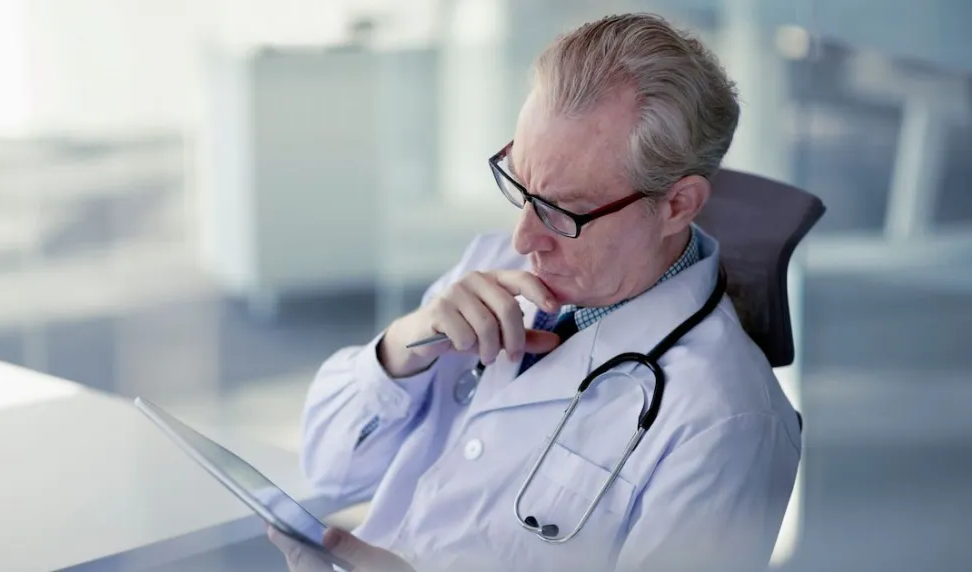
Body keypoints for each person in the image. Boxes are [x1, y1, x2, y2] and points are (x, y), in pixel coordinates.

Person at [271, 12, 801, 572]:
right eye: (519, 183)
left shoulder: (726, 422)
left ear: (677, 205)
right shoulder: (493, 267)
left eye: (563, 210)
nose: (524, 237)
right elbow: (327, 465)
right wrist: (403, 347)